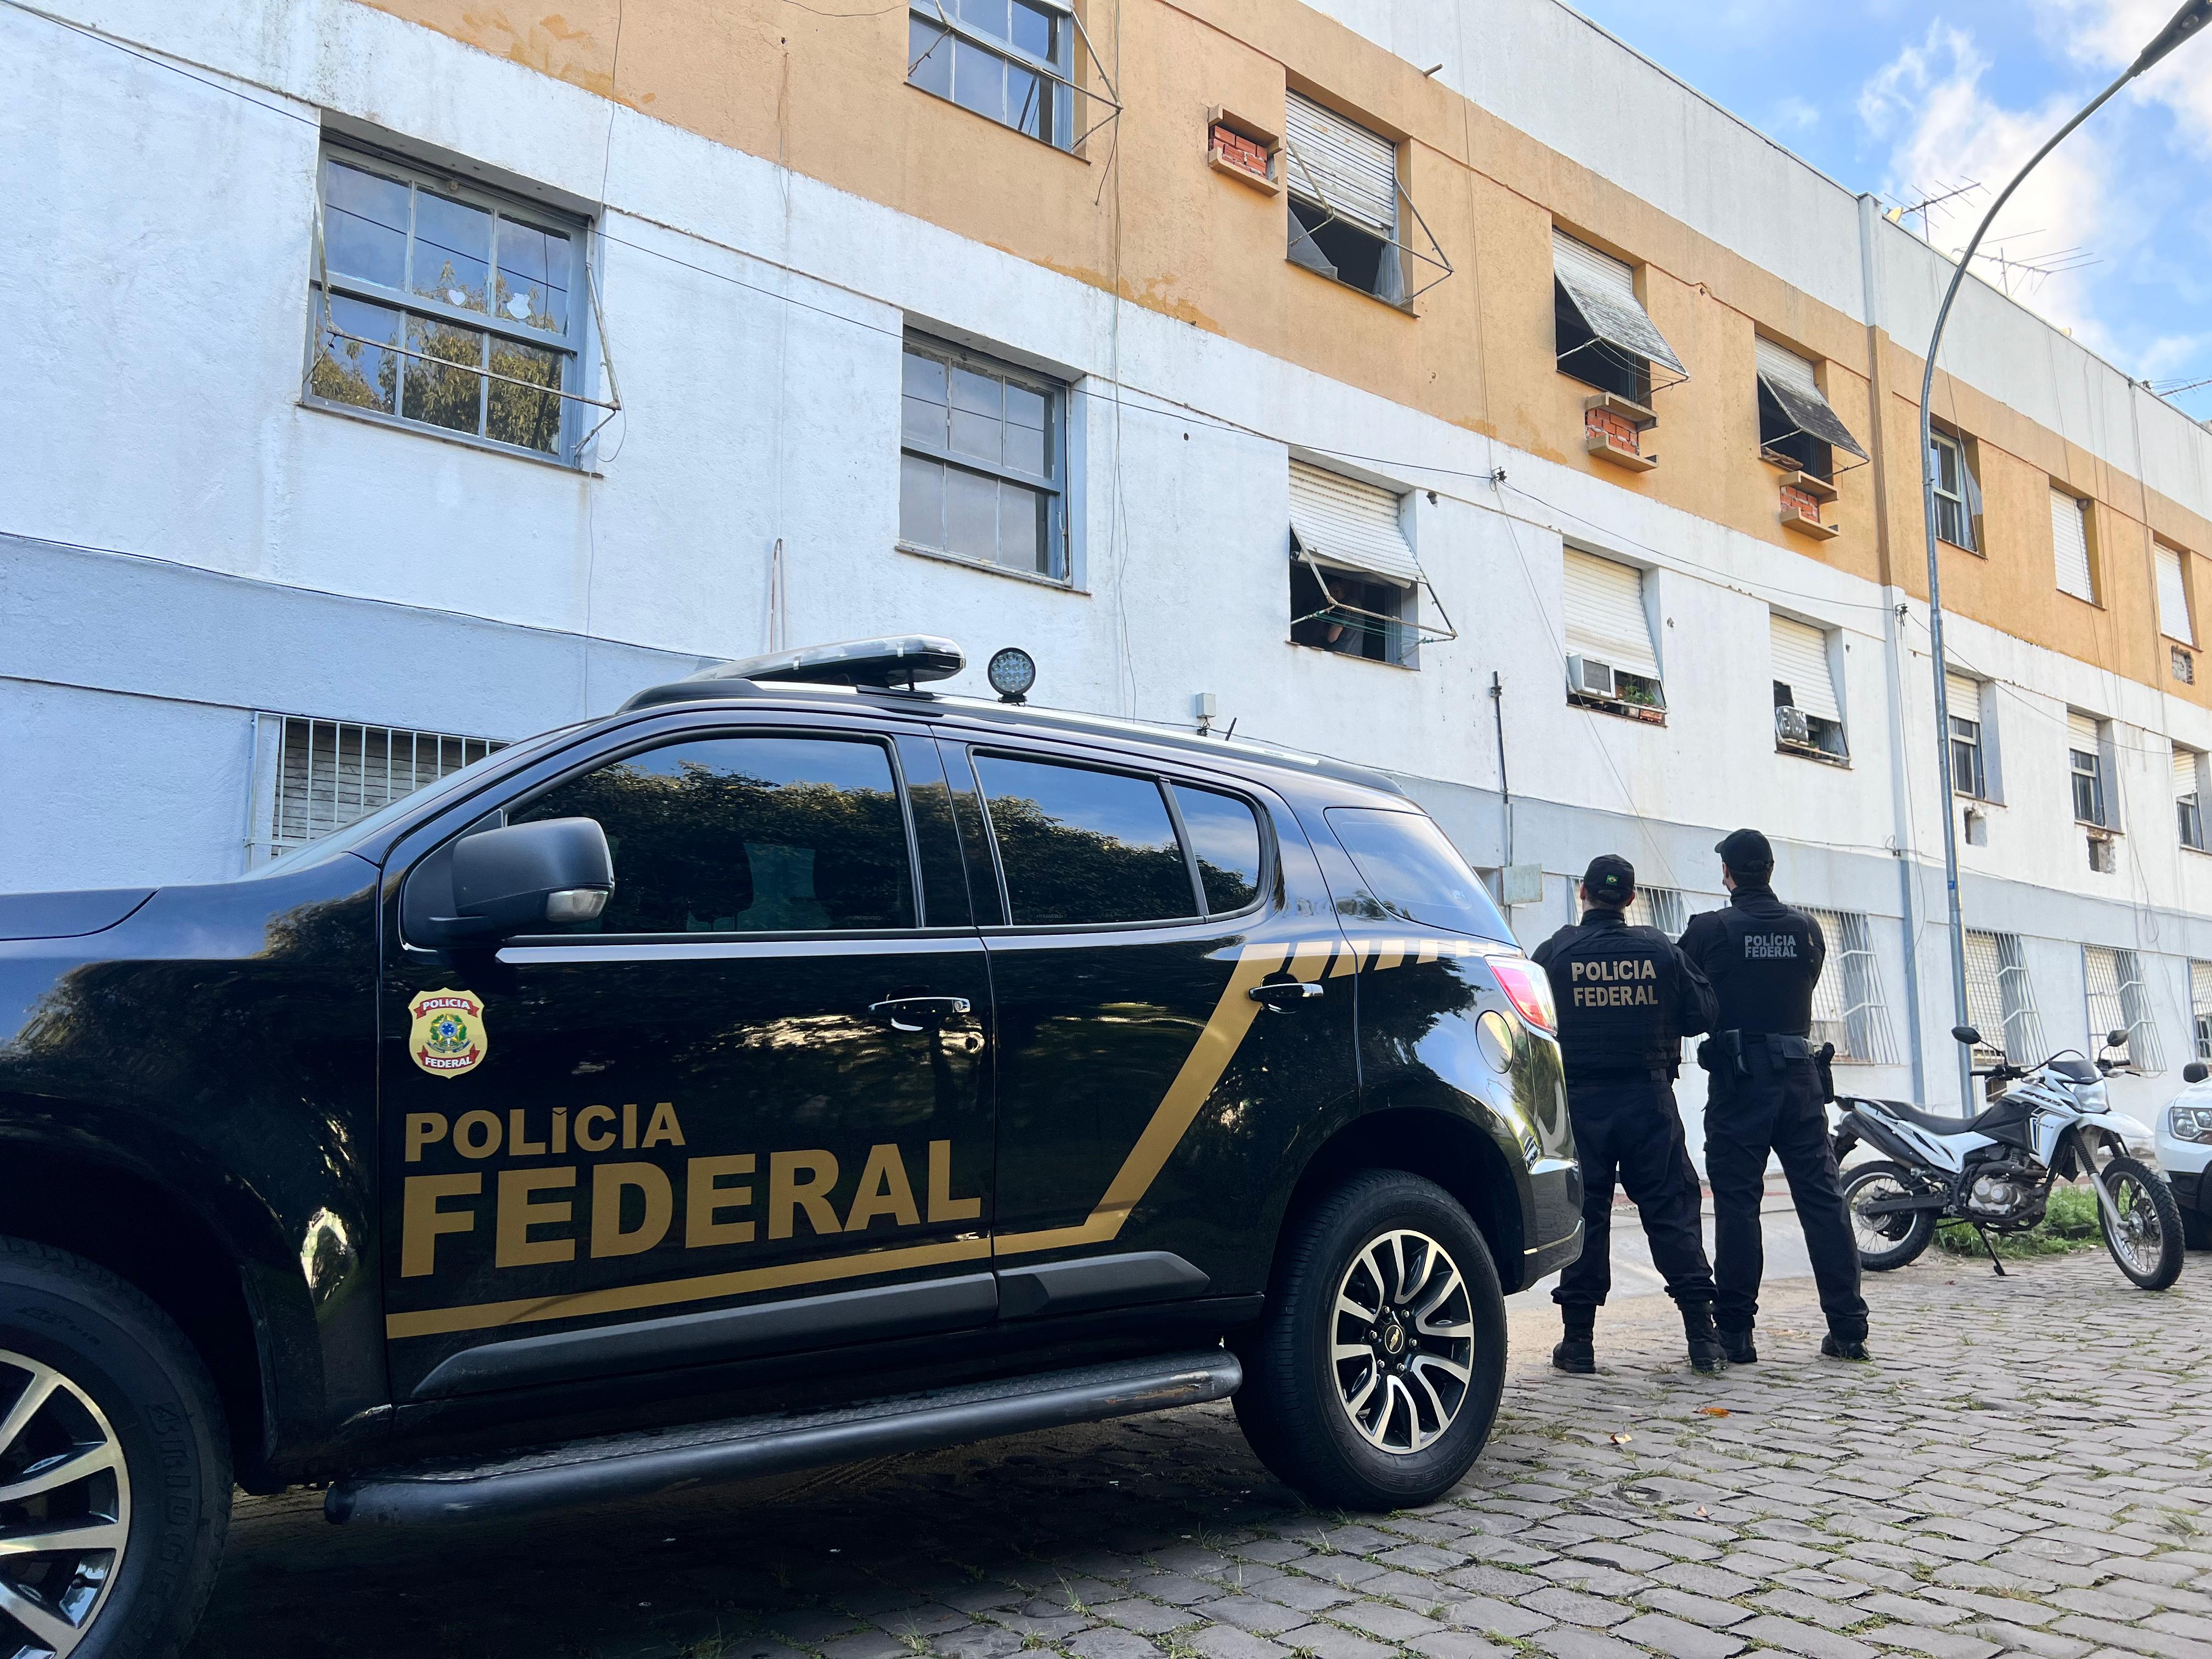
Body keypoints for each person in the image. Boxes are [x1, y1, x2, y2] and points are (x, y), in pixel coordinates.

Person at [1679, 828, 1872, 1363]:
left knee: (1740, 1206)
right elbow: (1804, 983)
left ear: (1729, 874)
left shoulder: (1711, 929)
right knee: (1823, 1201)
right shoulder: (1807, 929)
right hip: (1800, 1079)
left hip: (1742, 1084)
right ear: (1768, 869)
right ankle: (1850, 1329)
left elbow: (1684, 995)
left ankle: (1737, 1335)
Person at [1532, 854, 1727, 1375]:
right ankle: (1702, 1337)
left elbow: (1530, 1020)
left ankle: (1578, 1344)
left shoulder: (1555, 952)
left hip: (1580, 1105)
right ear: (1632, 899)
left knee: (1585, 1216)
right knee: (1671, 1211)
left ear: (1583, 892)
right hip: (1648, 1099)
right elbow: (1703, 1014)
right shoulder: (1660, 948)